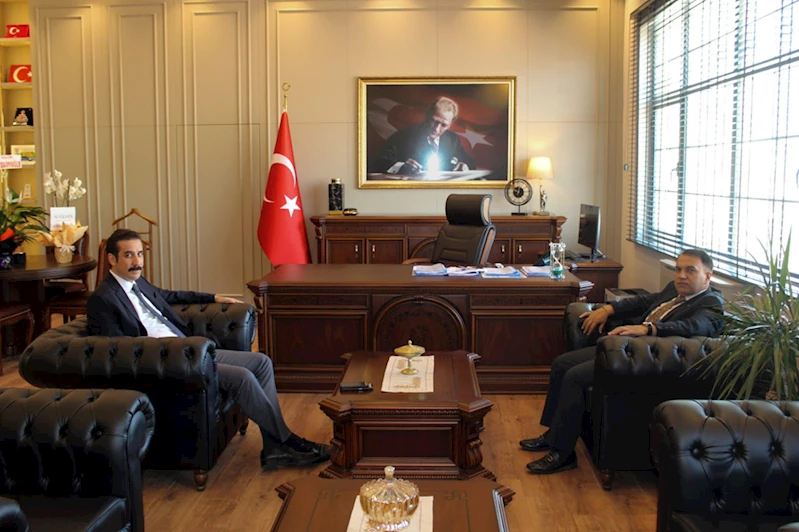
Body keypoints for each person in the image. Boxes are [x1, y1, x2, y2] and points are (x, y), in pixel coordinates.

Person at [87, 229, 331, 471]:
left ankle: (274, 446)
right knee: (243, 377)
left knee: (261, 362)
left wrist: (213, 298)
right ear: (112, 259)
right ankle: (286, 441)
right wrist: (164, 350)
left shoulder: (137, 282)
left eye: (140, 254)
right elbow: (115, 350)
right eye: (129, 255)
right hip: (167, 362)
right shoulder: (103, 298)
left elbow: (169, 295)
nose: (137, 261)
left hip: (190, 349)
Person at [520, 249, 724, 475]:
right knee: (561, 364)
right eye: (678, 269)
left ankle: (562, 453)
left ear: (708, 276)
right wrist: (608, 309)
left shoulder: (711, 304)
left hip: (646, 362)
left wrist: (648, 329)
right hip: (626, 349)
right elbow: (645, 300)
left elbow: (694, 327)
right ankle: (554, 434)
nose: (681, 276)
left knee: (575, 377)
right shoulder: (674, 290)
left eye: (690, 270)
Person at [369, 96, 475, 175]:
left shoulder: (452, 139)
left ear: (451, 123)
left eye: (444, 125)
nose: (437, 129)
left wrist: (464, 166)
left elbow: (470, 163)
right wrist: (402, 167)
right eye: (434, 121)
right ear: (427, 115)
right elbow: (378, 161)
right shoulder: (404, 136)